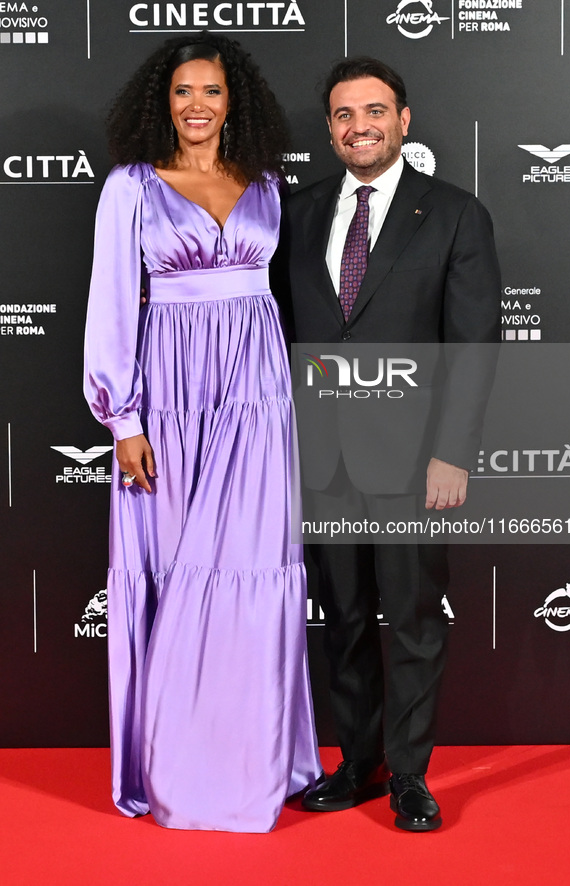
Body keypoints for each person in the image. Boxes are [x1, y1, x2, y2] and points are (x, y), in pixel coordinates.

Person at [83, 33, 321, 832]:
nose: (196, 106)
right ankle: (176, 765)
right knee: (174, 568)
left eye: (210, 92)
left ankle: (253, 760)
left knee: (252, 568)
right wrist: (124, 419)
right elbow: (112, 304)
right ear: (163, 101)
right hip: (170, 399)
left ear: (234, 100)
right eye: (182, 92)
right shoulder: (130, 188)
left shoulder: (269, 184)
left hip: (256, 395)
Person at [282, 57, 501, 831]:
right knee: (341, 618)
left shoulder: (452, 213)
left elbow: (473, 345)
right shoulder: (298, 214)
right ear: (331, 127)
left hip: (414, 461)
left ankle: (409, 774)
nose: (359, 127)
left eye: (375, 111)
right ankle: (359, 763)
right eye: (343, 115)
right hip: (320, 457)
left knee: (408, 618)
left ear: (403, 120)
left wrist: (454, 453)